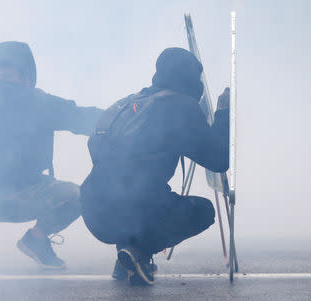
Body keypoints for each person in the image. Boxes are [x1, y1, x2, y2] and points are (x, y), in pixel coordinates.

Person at [0, 41, 102, 269]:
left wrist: (123, 118)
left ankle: (36, 239)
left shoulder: (44, 105)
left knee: (80, 196)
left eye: (10, 72)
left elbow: (85, 118)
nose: (3, 78)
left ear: (27, 75)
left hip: (32, 193)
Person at [80, 47, 230, 285]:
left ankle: (126, 260)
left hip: (91, 209)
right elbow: (218, 160)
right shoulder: (179, 107)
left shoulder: (130, 102)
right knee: (201, 211)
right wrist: (223, 115)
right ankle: (137, 254)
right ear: (190, 78)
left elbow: (95, 146)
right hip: (130, 212)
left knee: (147, 193)